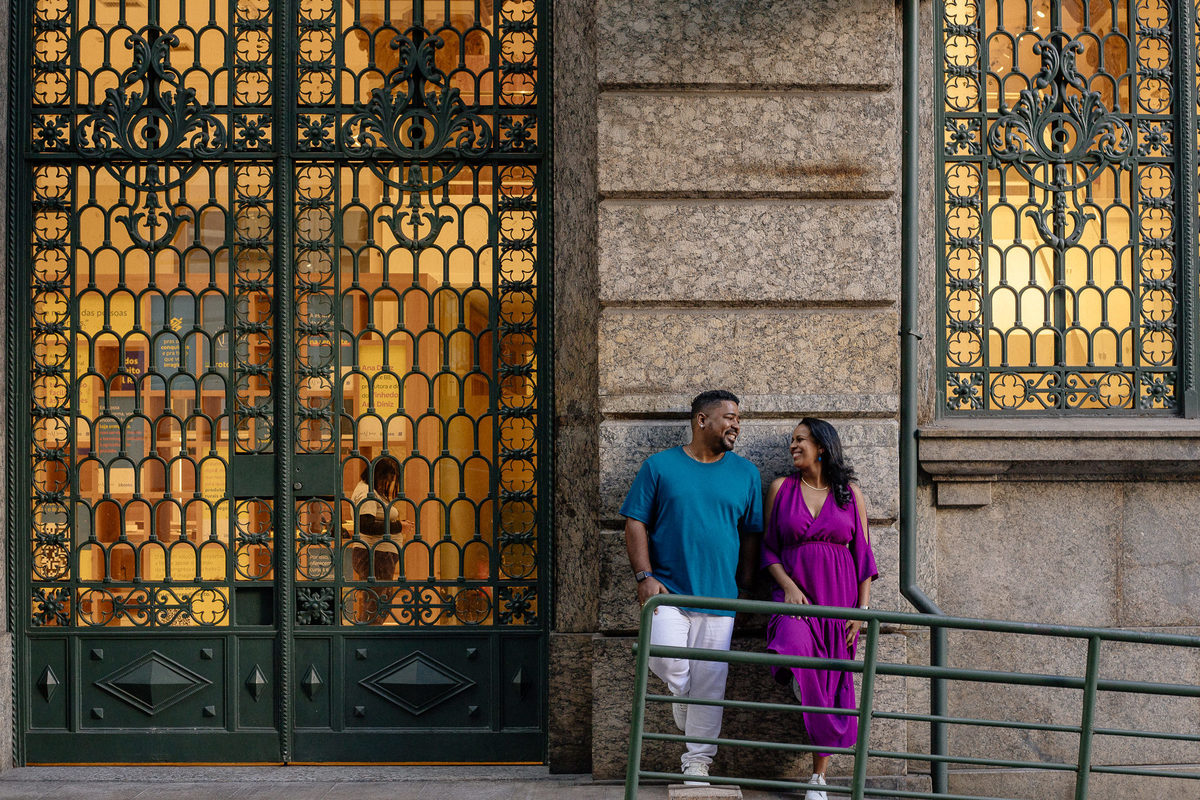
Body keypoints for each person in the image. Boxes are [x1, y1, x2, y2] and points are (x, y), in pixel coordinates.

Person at [621, 389, 763, 785]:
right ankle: (683, 697)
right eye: (729, 417)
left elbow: (751, 534)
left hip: (720, 598)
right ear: (702, 420)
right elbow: (635, 521)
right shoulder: (659, 467)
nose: (736, 424)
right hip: (668, 592)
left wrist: (746, 587)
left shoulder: (746, 473)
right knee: (665, 659)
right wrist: (644, 576)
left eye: (738, 418)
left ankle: (697, 762)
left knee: (711, 684)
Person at [762, 417, 877, 800]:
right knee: (795, 649)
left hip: (838, 602)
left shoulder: (850, 494)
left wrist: (861, 613)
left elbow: (862, 555)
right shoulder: (781, 489)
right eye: (792, 441)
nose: (793, 446)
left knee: (832, 685)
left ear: (822, 446)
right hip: (794, 599)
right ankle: (802, 681)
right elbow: (769, 550)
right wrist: (789, 587)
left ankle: (818, 778)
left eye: (800, 440)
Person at [346, 456, 410, 589]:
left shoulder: (370, 490)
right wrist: (398, 526)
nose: (387, 483)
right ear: (378, 475)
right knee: (377, 603)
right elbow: (366, 525)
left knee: (379, 601)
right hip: (375, 553)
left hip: (378, 553)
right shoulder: (367, 493)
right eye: (387, 479)